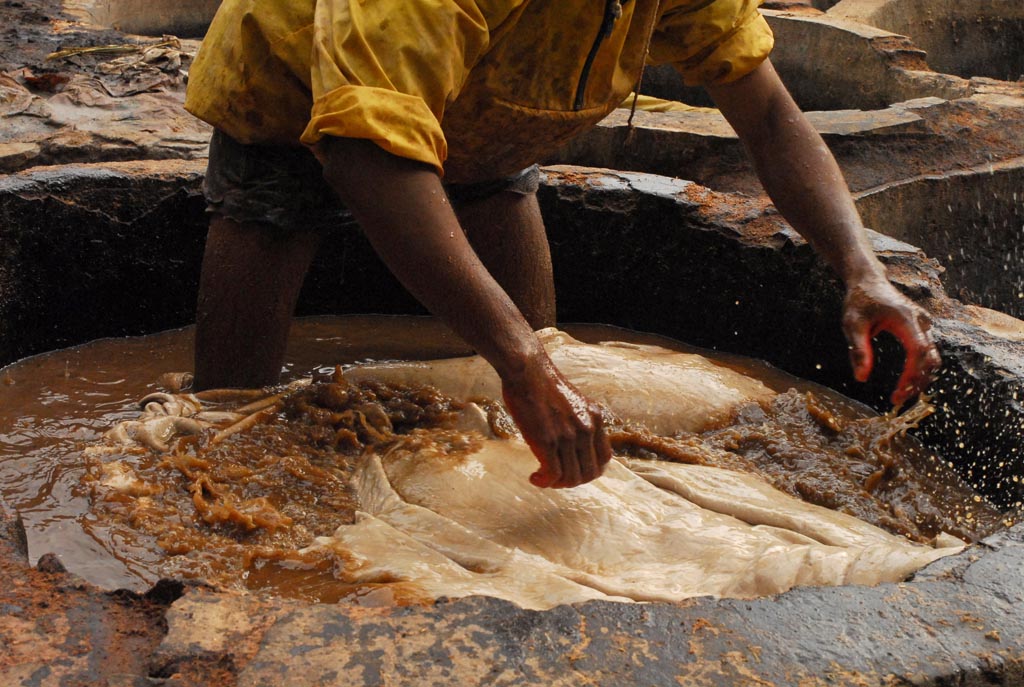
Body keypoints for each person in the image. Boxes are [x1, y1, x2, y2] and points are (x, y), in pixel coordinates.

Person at [184, 0, 941, 490]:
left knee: (541, 380)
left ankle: (520, 465)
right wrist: (520, 360)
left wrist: (860, 269)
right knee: (228, 421)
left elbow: (770, 115)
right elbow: (367, 158)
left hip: (492, 117)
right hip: (287, 96)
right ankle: (205, 468)